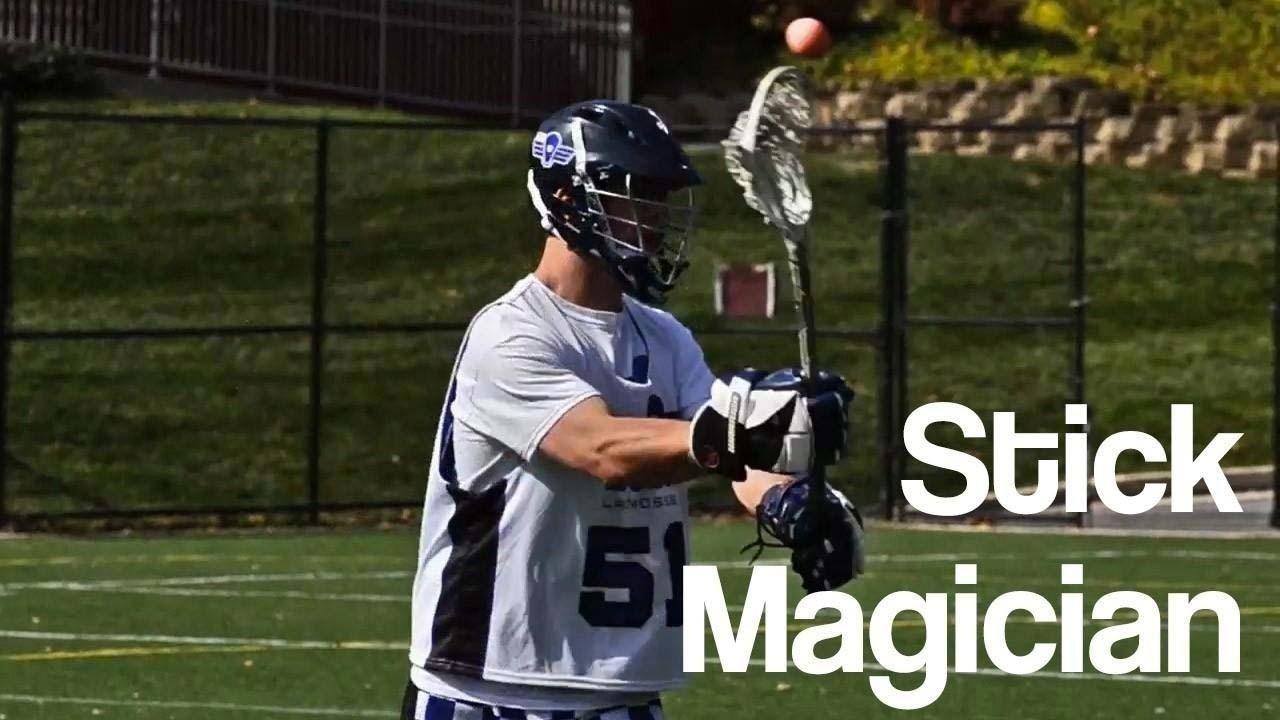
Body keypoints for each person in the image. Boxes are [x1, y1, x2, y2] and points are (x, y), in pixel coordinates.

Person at [402, 100, 864, 720]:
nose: (655, 216)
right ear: (566, 199)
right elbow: (601, 449)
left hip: (624, 693)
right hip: (491, 693)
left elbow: (728, 451)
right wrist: (743, 430)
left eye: (660, 197)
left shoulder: (664, 337)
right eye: (635, 194)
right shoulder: (511, 335)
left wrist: (788, 499)